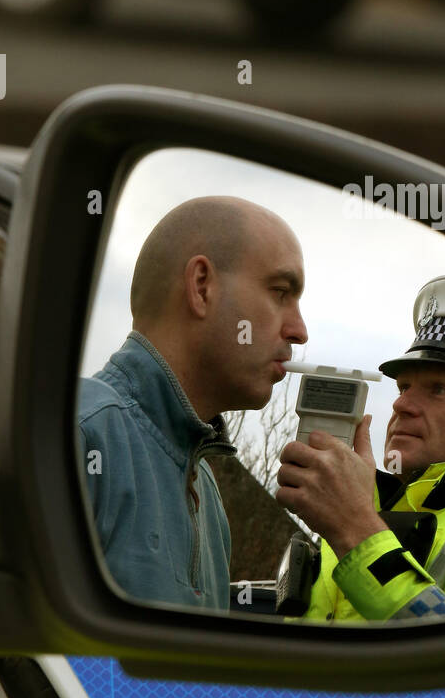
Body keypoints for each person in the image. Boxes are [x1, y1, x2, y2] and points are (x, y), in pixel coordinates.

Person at [275, 275, 445, 622]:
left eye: (438, 389)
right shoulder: (361, 507)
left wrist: (356, 532)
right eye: (403, 387)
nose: (402, 405)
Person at [78, 196, 307, 610]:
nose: (299, 330)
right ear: (202, 287)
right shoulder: (84, 433)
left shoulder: (208, 495)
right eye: (280, 292)